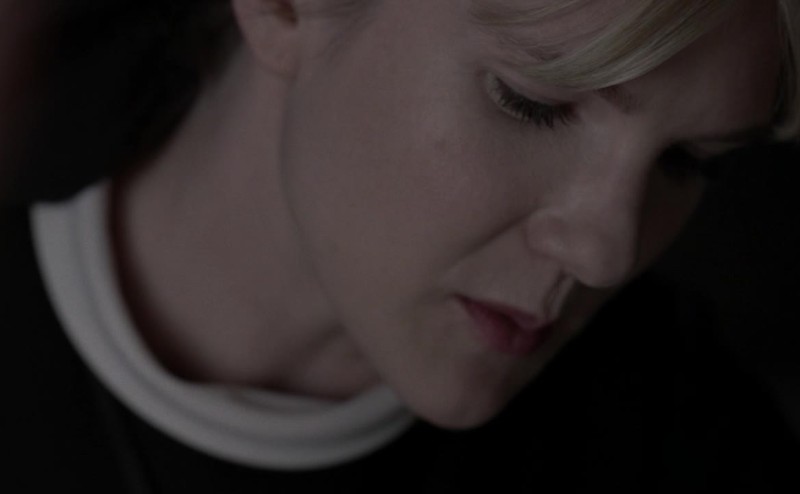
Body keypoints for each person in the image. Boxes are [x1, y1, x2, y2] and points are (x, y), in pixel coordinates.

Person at [4, 0, 799, 491]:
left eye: (688, 161)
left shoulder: (688, 444)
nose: (606, 253)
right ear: (286, 9)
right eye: (533, 104)